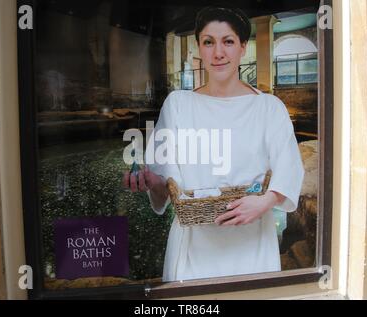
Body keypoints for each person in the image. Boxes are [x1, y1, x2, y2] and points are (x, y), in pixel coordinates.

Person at [123, 6, 304, 282]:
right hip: (193, 251)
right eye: (209, 42)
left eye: (228, 41)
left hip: (252, 247)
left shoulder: (269, 108)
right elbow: (164, 187)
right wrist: (148, 179)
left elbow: (289, 169)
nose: (218, 53)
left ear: (243, 47)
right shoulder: (178, 106)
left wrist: (265, 202)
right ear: (199, 48)